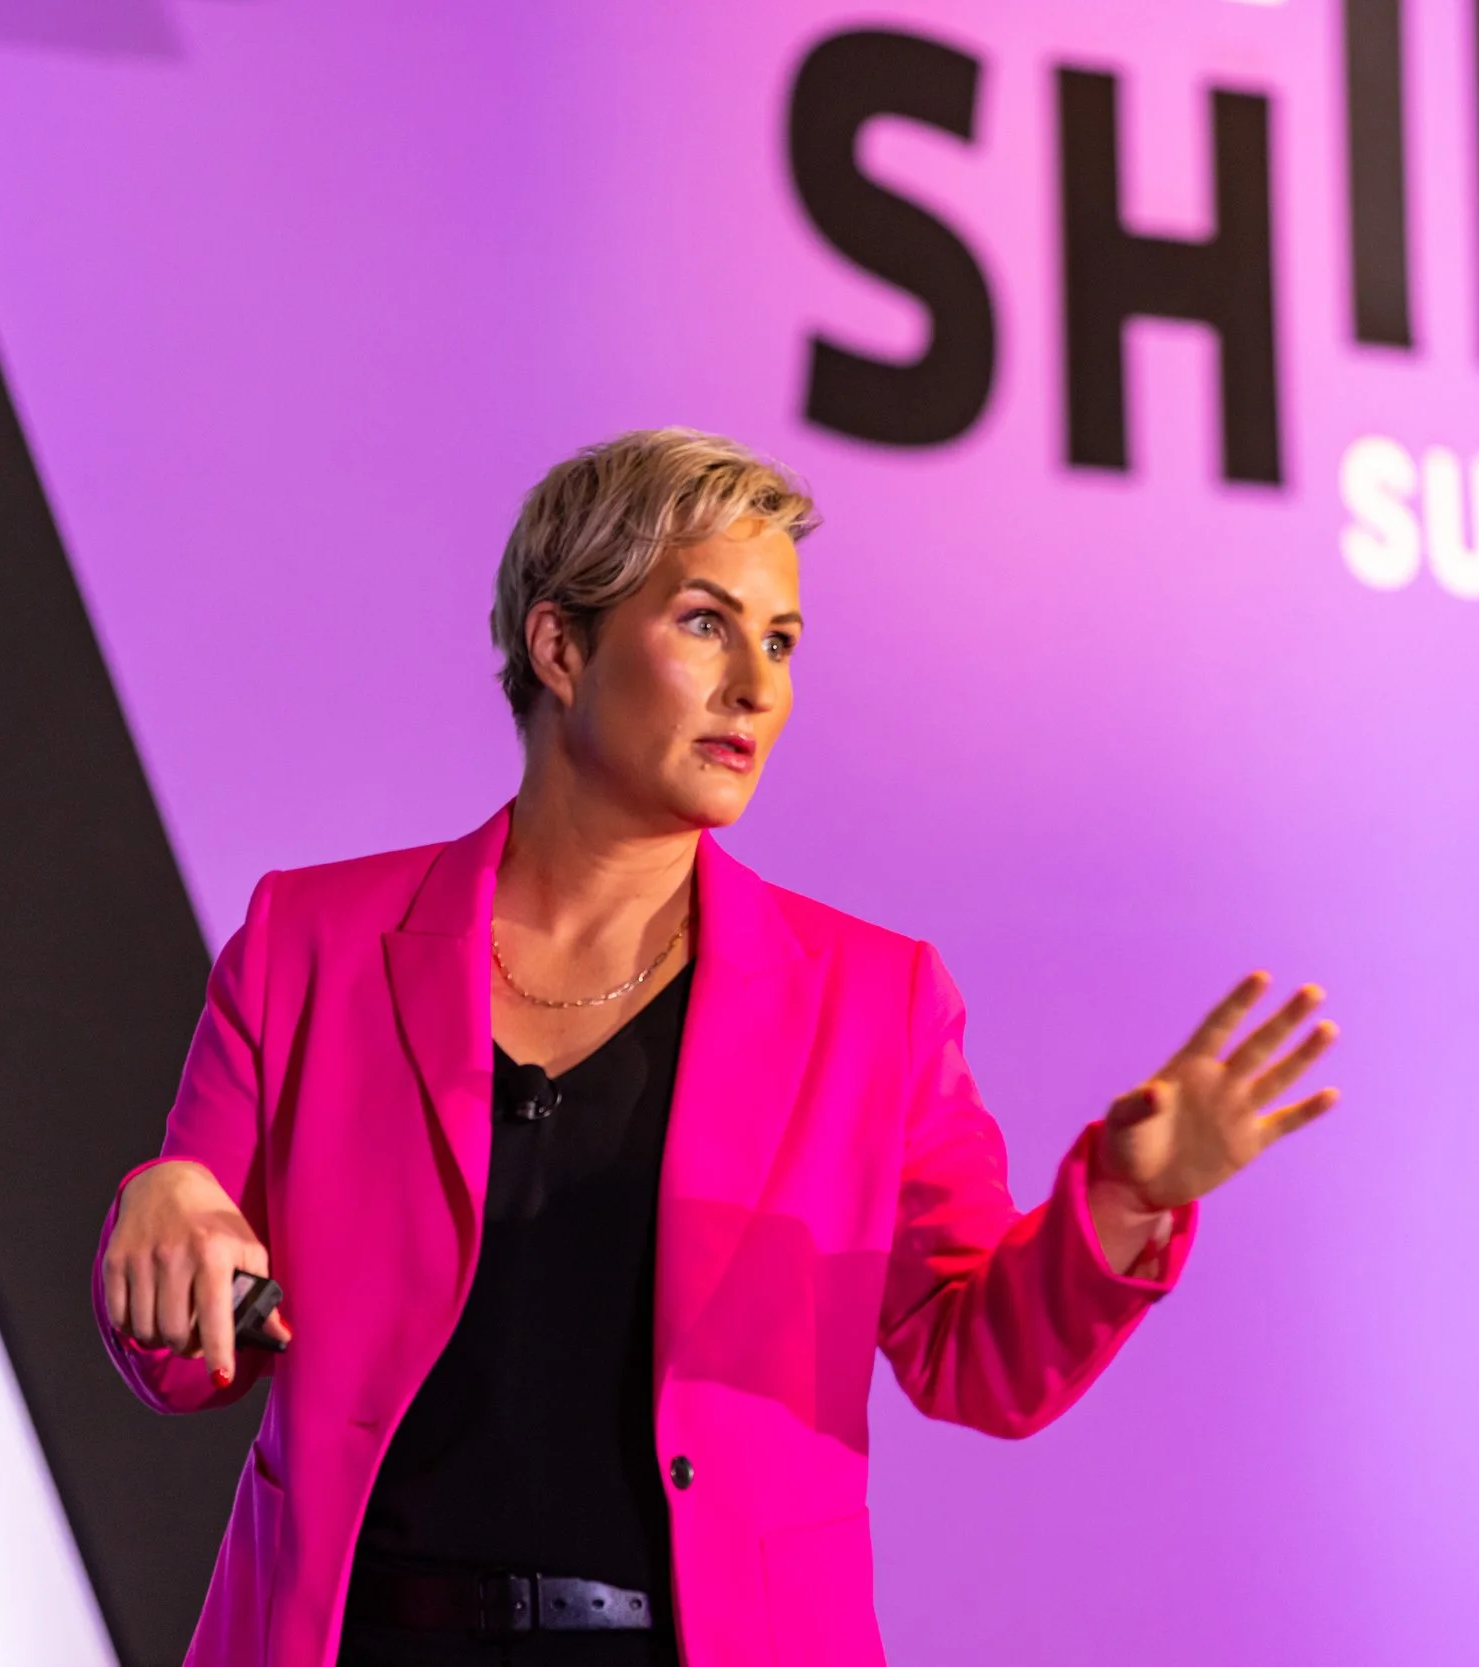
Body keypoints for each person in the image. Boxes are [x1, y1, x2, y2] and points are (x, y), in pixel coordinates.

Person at [95, 429, 1341, 1667]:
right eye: (706, 622)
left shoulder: (872, 1000)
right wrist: (155, 1209)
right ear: (561, 645)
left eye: (783, 640)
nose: (758, 683)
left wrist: (1124, 1198)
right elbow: (186, 1348)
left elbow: (977, 1362)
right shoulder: (309, 939)